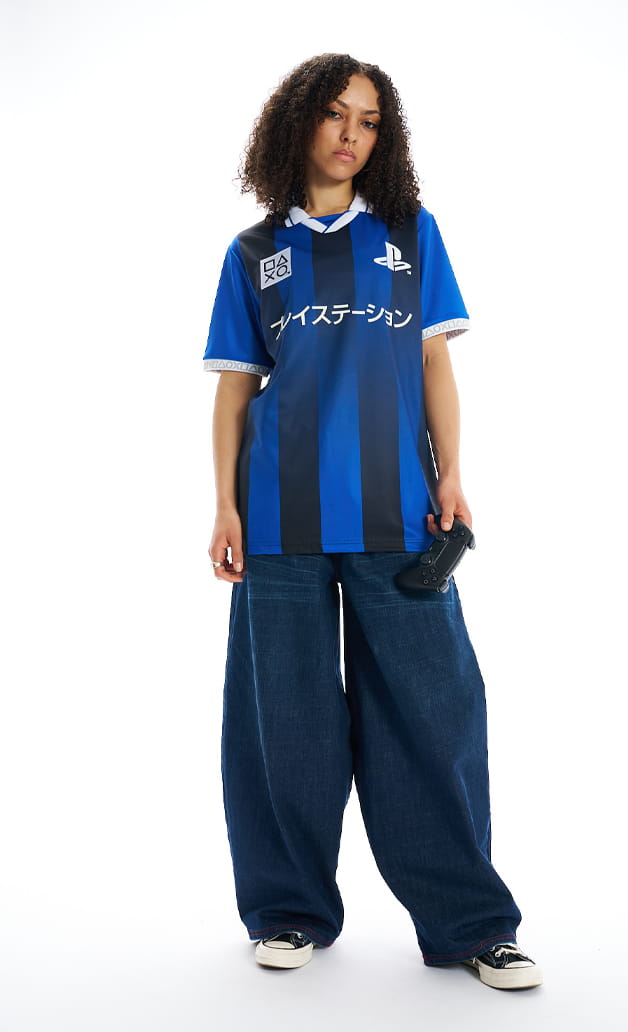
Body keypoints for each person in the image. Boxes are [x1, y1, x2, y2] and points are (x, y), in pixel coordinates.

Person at [203, 53, 543, 990]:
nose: (352, 134)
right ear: (297, 123)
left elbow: (434, 363)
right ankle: (288, 911)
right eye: (335, 114)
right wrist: (225, 502)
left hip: (401, 512)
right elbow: (235, 388)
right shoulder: (252, 252)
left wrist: (455, 473)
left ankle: (472, 926)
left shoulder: (410, 235)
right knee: (284, 721)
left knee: (435, 715)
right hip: (279, 518)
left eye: (369, 121)